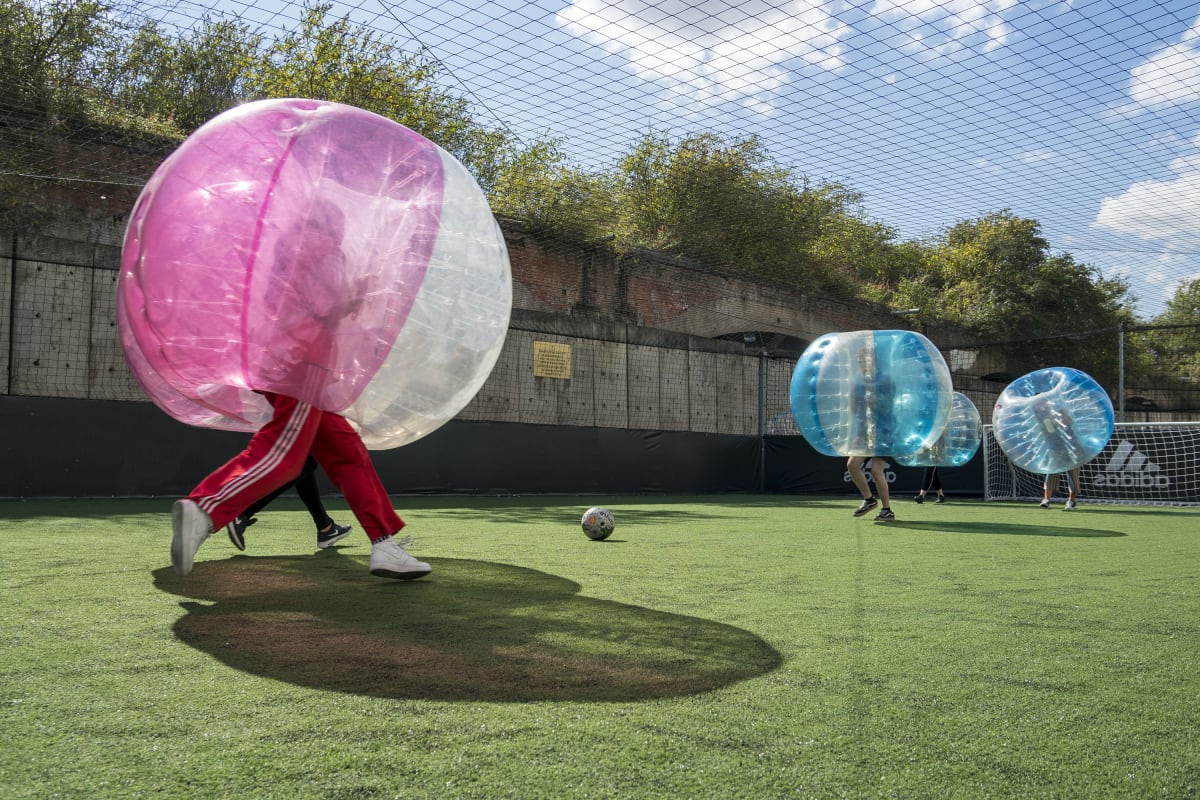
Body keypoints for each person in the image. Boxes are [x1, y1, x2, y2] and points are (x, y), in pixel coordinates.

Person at [171, 200, 429, 580]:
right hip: (304, 360)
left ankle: (384, 543)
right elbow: (329, 304)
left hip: (291, 358)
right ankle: (207, 508)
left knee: (347, 452)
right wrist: (362, 292)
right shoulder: (325, 249)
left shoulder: (290, 251)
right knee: (285, 453)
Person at [225, 455, 353, 551]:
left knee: (305, 462)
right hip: (299, 421)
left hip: (303, 421)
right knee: (305, 463)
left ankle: (326, 528)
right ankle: (244, 513)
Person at [848, 456, 895, 521]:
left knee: (876, 472)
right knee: (852, 465)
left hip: (881, 446)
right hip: (864, 445)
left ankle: (886, 510)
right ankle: (869, 500)